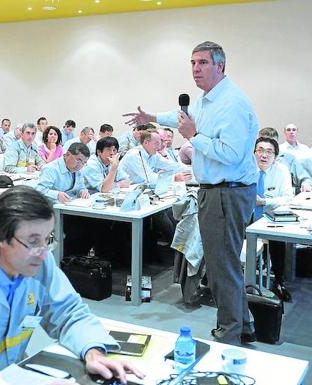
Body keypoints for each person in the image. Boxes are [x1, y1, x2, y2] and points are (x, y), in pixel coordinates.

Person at [0, 186, 144, 384]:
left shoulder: (37, 262)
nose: (43, 253)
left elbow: (69, 312)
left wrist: (92, 350)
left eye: (47, 239)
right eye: (32, 241)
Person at [123, 41, 258, 345]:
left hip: (227, 191)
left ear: (220, 66)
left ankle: (229, 332)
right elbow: (179, 117)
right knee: (225, 262)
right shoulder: (206, 100)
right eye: (193, 62)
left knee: (222, 264)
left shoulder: (231, 103)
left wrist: (193, 137)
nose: (196, 68)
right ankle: (244, 323)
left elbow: (231, 154)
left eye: (203, 63)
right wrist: (151, 118)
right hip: (218, 190)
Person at [252, 137, 293, 301]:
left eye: (269, 151)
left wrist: (265, 201)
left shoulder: (281, 170)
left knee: (277, 240)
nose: (264, 155)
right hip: (246, 215)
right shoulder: (245, 168)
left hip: (270, 217)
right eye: (260, 150)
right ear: (254, 152)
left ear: (275, 156)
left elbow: (288, 197)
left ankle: (278, 281)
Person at [118, 129, 190, 187]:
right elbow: (150, 178)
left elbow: (171, 165)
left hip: (141, 188)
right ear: (146, 143)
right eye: (156, 143)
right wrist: (174, 178)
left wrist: (191, 171)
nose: (159, 147)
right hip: (125, 190)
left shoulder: (153, 154)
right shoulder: (134, 155)